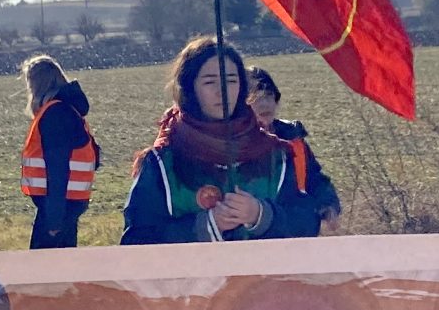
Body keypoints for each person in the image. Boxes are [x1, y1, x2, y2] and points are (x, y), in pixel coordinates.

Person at [121, 38, 321, 245]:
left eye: (231, 81)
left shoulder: (275, 155)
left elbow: (306, 224)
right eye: (210, 82)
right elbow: (136, 241)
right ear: (189, 89)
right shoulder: (161, 163)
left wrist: (260, 215)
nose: (222, 91)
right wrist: (206, 226)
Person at [246, 68, 342, 233]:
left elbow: (314, 178)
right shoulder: (235, 144)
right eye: (255, 98)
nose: (264, 104)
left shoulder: (293, 137)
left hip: (299, 233)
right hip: (258, 235)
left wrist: (328, 204)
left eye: (269, 95)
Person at [18, 56, 98, 249]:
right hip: (68, 203)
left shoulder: (55, 114)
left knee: (44, 264)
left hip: (57, 206)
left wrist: (54, 220)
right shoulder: (69, 109)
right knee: (65, 263)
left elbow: (57, 169)